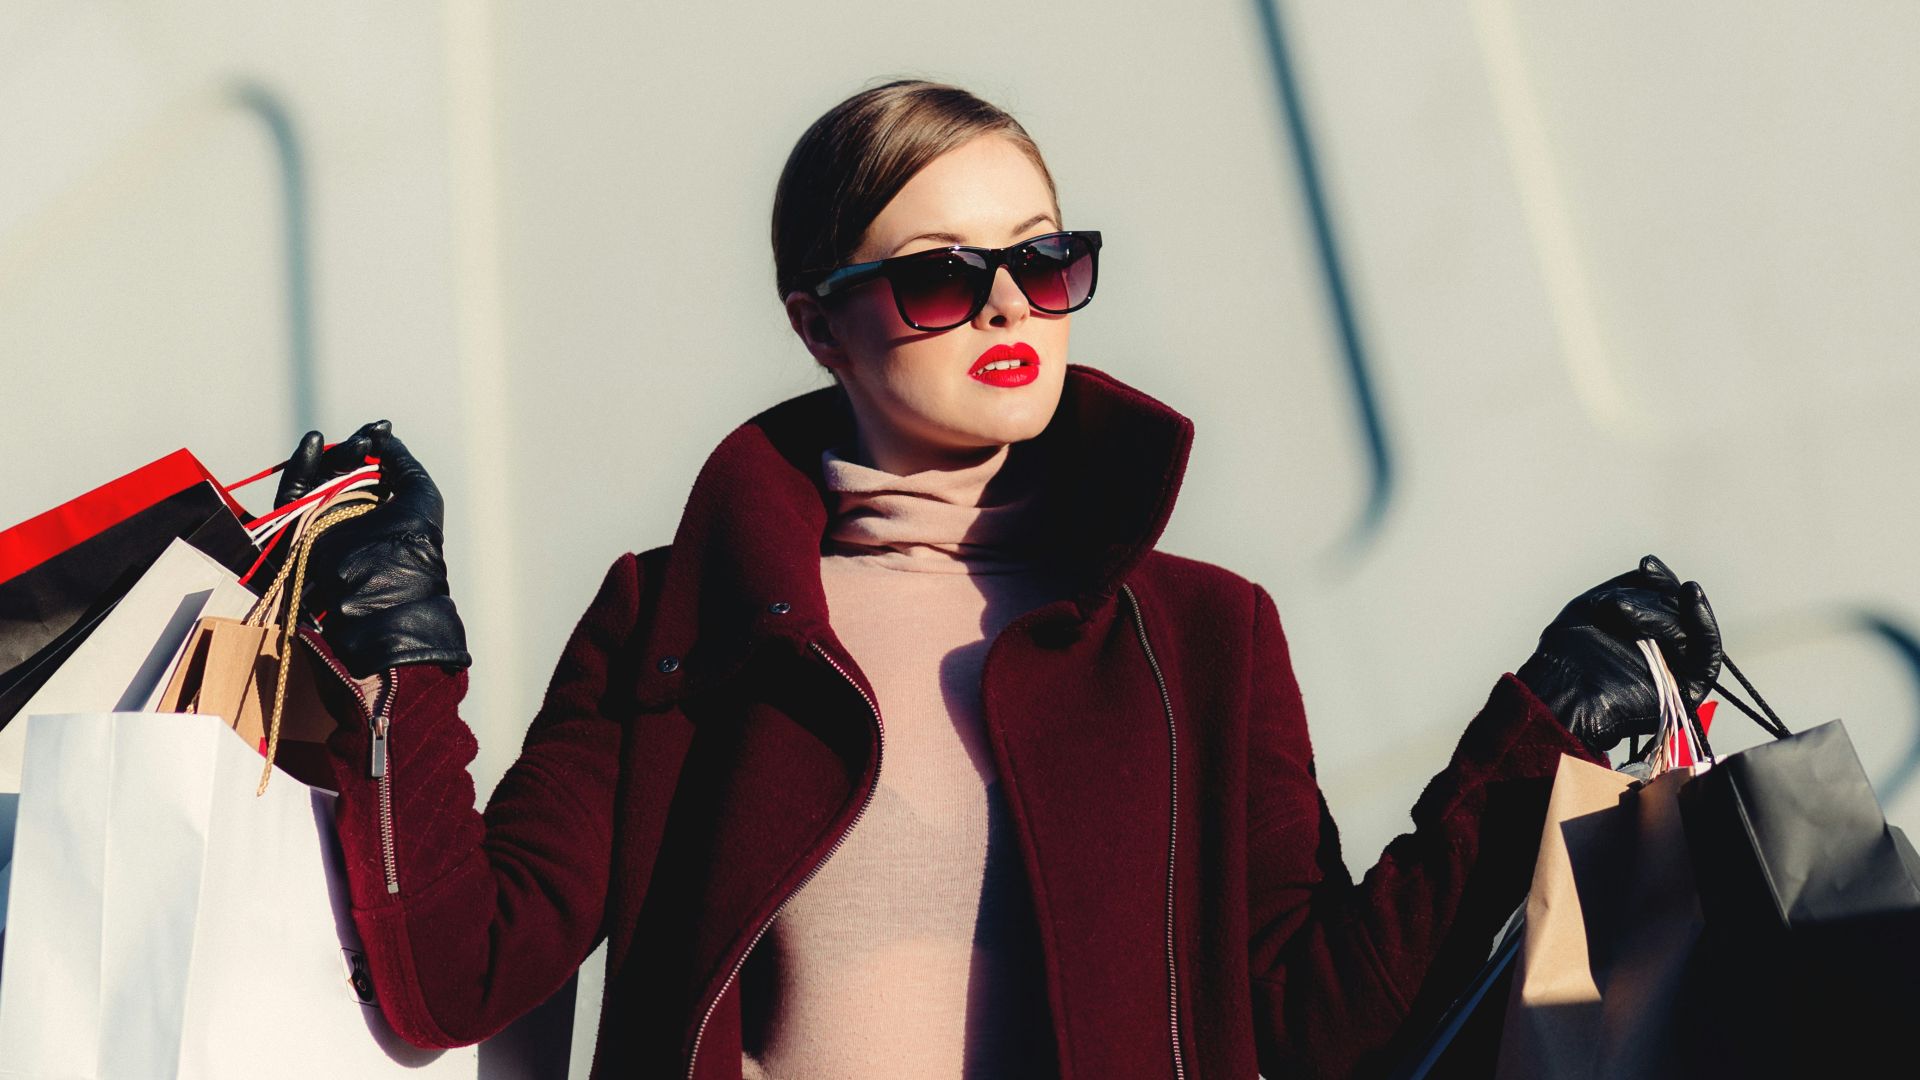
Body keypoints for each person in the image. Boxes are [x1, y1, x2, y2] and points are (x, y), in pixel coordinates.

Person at [280, 80, 1723, 1080]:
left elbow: (1313, 1019)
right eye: (937, 276)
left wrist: (1535, 735)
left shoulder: (1201, 635)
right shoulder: (679, 617)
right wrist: (402, 651)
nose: (1005, 309)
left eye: (1044, 261)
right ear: (818, 324)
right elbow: (458, 972)